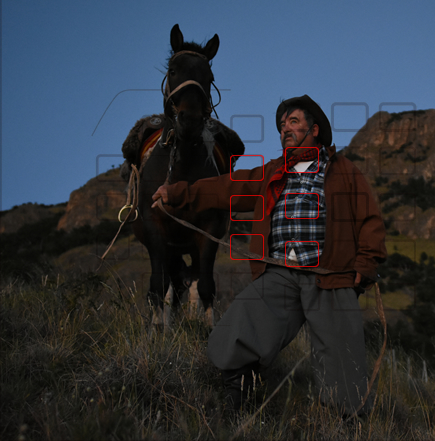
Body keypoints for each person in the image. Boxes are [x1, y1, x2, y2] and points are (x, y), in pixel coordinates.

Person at [151, 95, 387, 415]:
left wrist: (367, 262)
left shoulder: (342, 170)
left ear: (314, 129)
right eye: (281, 126)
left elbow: (369, 217)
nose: (284, 130)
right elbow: (228, 187)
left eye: (293, 122)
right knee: (240, 329)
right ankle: (237, 404)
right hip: (280, 272)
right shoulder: (273, 172)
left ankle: (349, 424)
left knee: (342, 361)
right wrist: (177, 192)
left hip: (330, 275)